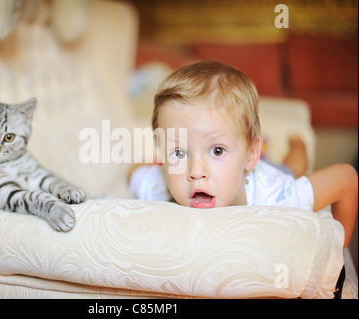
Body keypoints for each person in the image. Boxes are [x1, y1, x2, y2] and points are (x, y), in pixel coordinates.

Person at [129, 60, 357, 247]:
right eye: (179, 153)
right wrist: (159, 163)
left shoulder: (277, 198)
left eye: (217, 150)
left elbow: (347, 177)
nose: (196, 172)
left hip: (266, 176)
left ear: (250, 154)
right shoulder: (160, 187)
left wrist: (338, 247)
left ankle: (296, 142)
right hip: (241, 164)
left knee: (293, 167)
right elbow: (133, 172)